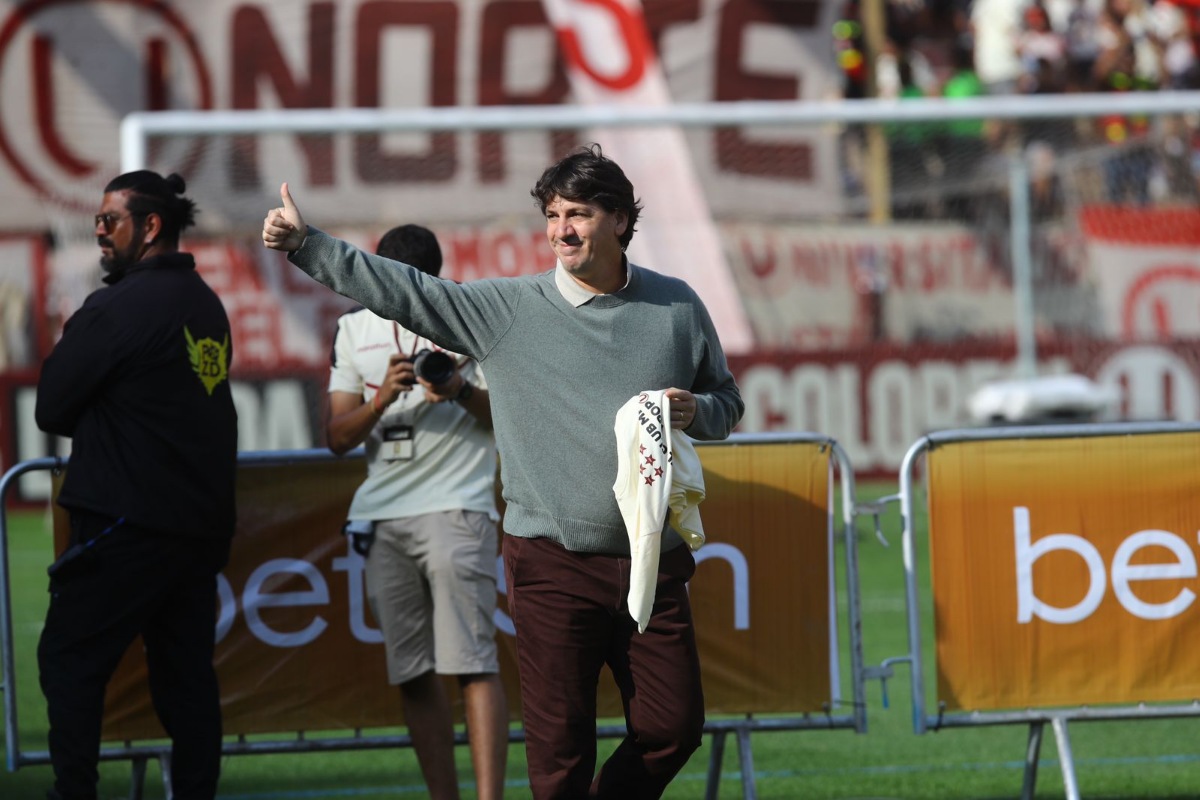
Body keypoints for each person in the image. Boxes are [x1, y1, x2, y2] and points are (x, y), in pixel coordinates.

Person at [263, 143, 744, 799]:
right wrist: (308, 245)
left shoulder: (677, 307)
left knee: (673, 728)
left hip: (649, 560)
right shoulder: (510, 308)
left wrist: (698, 410)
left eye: (577, 214)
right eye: (552, 215)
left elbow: (727, 401)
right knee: (559, 754)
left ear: (620, 222)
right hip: (550, 562)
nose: (561, 230)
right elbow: (408, 291)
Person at [35, 170, 237, 800]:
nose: (99, 231)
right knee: (185, 680)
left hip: (125, 523)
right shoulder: (206, 304)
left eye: (110, 221)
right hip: (195, 531)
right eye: (98, 220)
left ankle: (76, 792)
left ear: (151, 226)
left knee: (68, 660)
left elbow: (50, 409)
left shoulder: (117, 307)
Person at [326, 224, 508, 800]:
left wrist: (456, 388)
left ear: (435, 276)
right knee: (412, 672)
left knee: (473, 662)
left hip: (459, 506)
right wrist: (381, 396)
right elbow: (337, 436)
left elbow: (508, 421)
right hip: (384, 518)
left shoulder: (470, 316)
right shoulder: (353, 329)